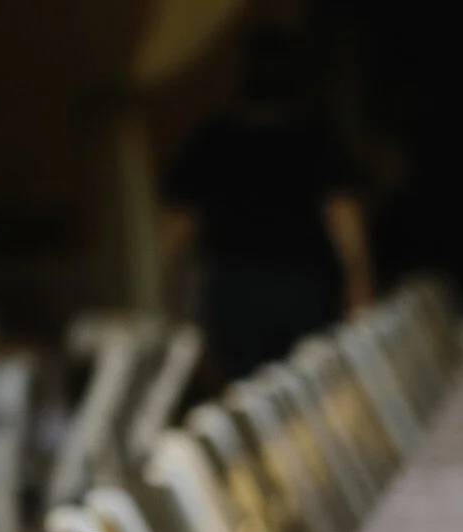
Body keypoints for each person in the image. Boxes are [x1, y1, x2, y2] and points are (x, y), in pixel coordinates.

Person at [160, 26, 373, 386]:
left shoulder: (216, 138)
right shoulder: (309, 136)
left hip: (251, 285)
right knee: (299, 389)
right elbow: (342, 214)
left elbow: (179, 227)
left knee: (260, 390)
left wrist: (170, 290)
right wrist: (359, 279)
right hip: (282, 284)